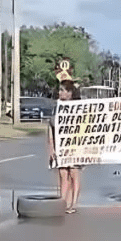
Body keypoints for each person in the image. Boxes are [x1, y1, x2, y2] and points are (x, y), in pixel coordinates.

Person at [47, 80, 82, 214]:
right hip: (60, 146)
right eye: (60, 90)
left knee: (73, 172)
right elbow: (51, 127)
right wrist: (51, 147)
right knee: (62, 173)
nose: (60, 92)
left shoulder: (77, 108)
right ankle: (63, 201)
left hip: (74, 145)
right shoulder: (56, 107)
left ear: (70, 93)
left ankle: (73, 203)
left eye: (63, 90)